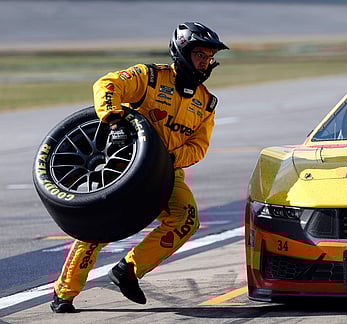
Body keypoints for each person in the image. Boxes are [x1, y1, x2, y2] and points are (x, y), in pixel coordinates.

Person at [50, 22, 229, 313]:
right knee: (98, 229)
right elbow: (107, 84)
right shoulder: (149, 77)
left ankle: (128, 270)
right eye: (199, 54)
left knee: (187, 219)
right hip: (124, 166)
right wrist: (113, 118)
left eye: (209, 56)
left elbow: (199, 147)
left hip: (167, 173)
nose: (205, 61)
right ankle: (64, 293)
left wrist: (170, 160)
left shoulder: (206, 102)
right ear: (182, 51)